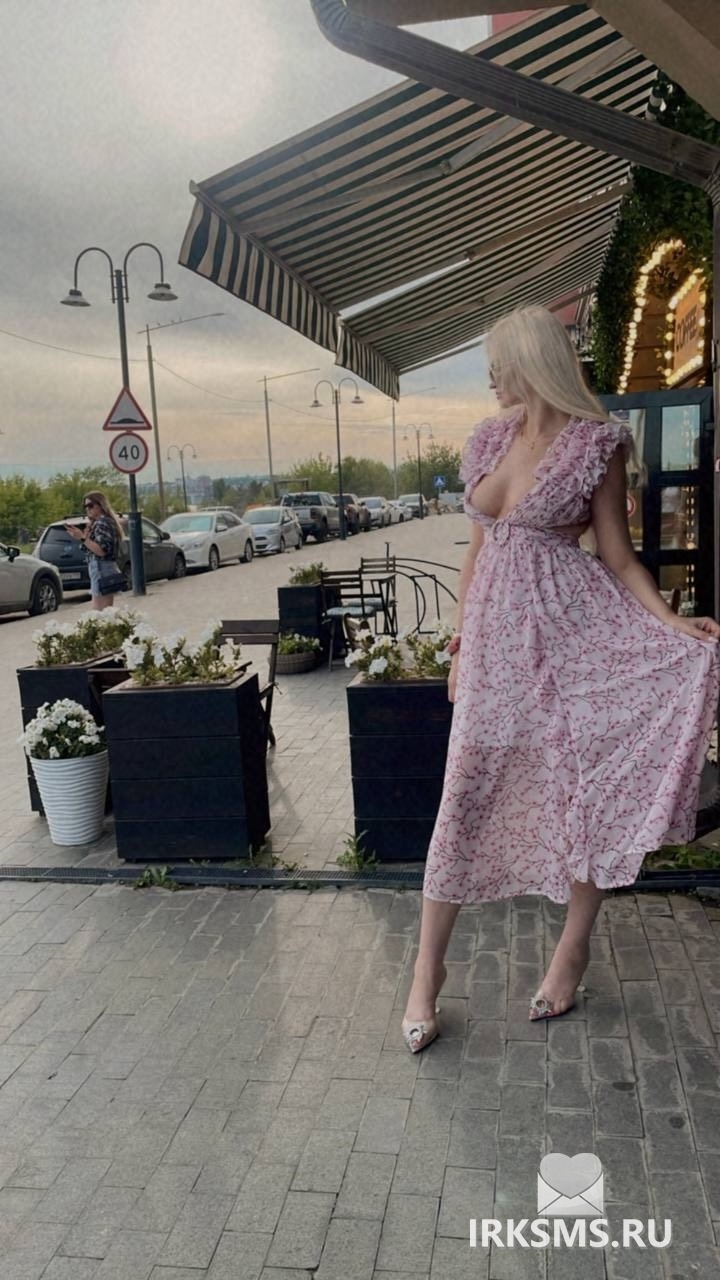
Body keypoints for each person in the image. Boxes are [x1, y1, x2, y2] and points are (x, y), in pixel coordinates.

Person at [402, 305, 720, 1054]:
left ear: (532, 360)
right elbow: (476, 554)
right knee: (464, 795)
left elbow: (618, 556)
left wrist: (671, 623)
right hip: (493, 653)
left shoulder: (595, 443)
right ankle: (426, 973)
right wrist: (459, 645)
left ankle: (571, 952)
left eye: (499, 363)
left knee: (585, 792)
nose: (490, 377)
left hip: (570, 641)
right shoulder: (489, 439)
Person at [65, 491, 125, 611]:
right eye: (85, 506)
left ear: (100, 505)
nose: (88, 509)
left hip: (101, 567)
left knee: (99, 610)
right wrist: (83, 536)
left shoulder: (102, 522)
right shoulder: (99, 522)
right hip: (101, 567)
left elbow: (102, 550)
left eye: (90, 505)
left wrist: (82, 538)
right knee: (105, 610)